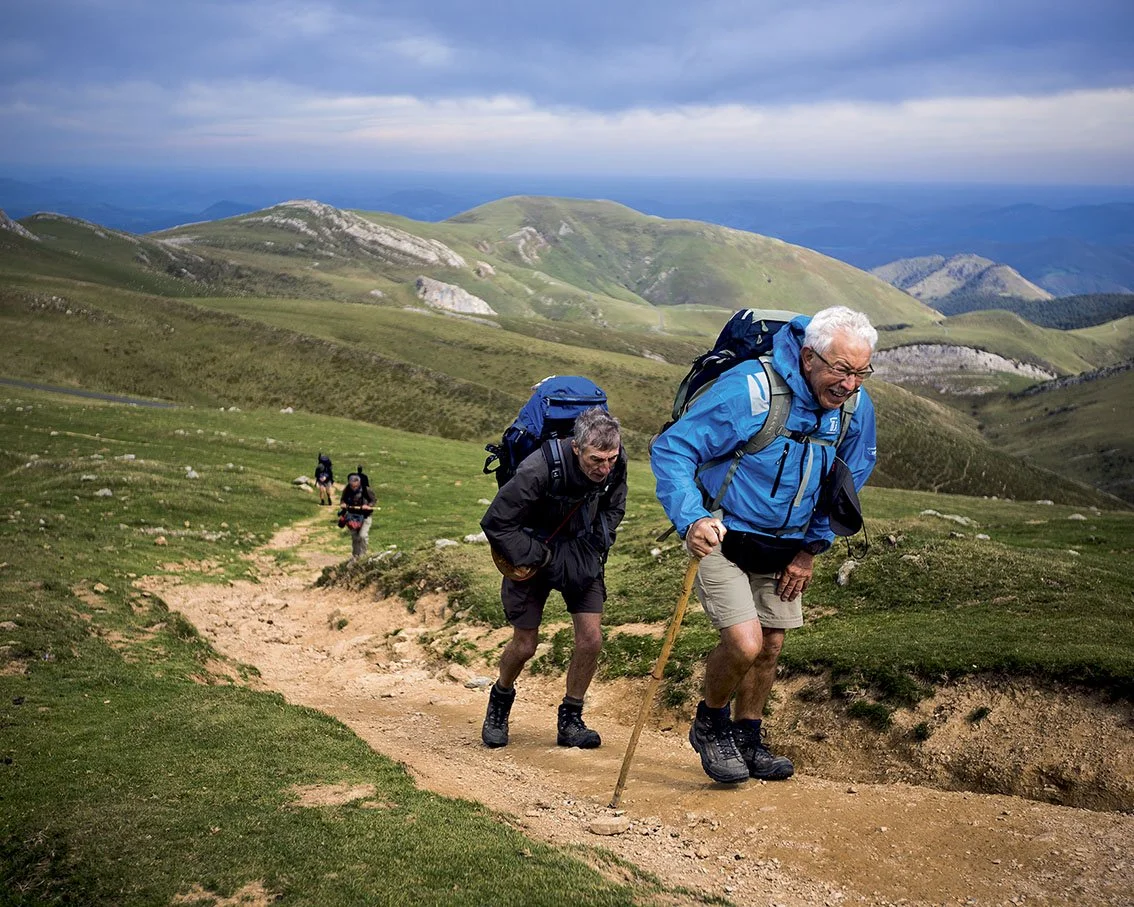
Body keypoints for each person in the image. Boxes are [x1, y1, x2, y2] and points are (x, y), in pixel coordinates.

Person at [651, 306, 878, 784]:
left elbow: (848, 478)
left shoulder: (855, 409)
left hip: (787, 544)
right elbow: (674, 448)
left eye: (861, 372)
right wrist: (691, 518)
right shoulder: (751, 390)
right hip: (722, 533)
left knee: (771, 645)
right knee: (745, 642)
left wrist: (809, 550)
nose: (850, 385)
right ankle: (710, 724)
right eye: (841, 370)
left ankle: (747, 736)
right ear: (810, 356)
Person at [480, 407, 627, 750]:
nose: (604, 468)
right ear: (576, 447)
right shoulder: (538, 468)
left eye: (611, 459)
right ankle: (500, 701)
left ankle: (571, 720)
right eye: (596, 460)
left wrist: (597, 541)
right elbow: (496, 523)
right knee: (525, 645)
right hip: (534, 554)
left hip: (581, 554)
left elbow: (615, 505)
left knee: (591, 639)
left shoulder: (615, 462)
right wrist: (540, 556)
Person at [339, 472, 376, 560]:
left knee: (362, 535)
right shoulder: (347, 490)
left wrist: (368, 506)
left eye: (355, 486)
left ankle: (363, 556)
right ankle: (355, 556)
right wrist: (343, 504)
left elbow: (373, 500)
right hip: (352, 517)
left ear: (359, 483)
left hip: (365, 516)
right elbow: (342, 500)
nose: (353, 487)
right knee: (355, 537)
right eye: (352, 486)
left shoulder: (366, 490)